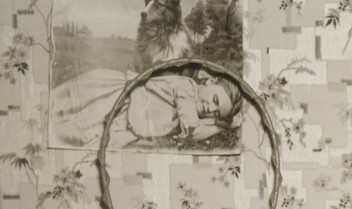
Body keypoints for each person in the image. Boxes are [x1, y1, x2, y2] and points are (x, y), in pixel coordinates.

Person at [50, 68, 242, 149]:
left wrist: (217, 120)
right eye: (215, 99)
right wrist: (222, 125)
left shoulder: (193, 104)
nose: (210, 108)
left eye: (216, 112)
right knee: (68, 117)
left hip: (129, 122)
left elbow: (198, 124)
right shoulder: (185, 88)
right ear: (209, 80)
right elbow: (194, 130)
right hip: (121, 100)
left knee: (82, 139)